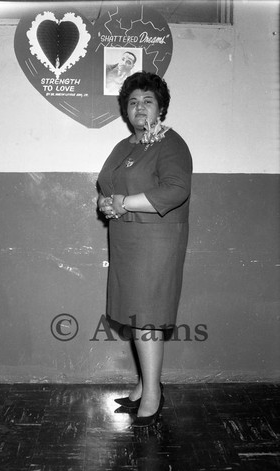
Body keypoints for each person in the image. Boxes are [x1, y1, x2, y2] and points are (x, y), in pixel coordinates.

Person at [97, 71, 192, 428]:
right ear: (125, 109)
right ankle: (143, 385)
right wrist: (105, 202)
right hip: (127, 241)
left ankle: (152, 395)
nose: (140, 107)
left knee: (147, 318)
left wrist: (123, 202)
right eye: (133, 101)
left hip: (156, 243)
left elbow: (175, 190)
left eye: (148, 101)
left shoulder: (170, 143)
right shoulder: (125, 146)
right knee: (136, 317)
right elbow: (106, 185)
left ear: (161, 107)